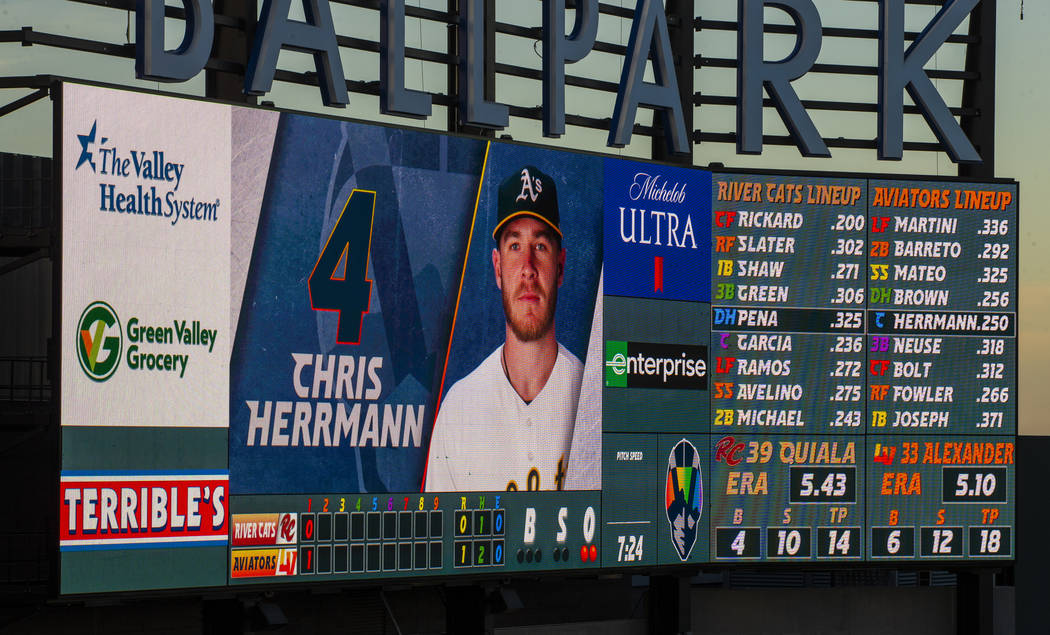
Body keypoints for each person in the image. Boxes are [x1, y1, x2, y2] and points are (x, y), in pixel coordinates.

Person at [424, 165, 584, 492]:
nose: (527, 268)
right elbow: (439, 542)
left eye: (540, 246)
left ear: (561, 266)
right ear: (498, 269)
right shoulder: (459, 410)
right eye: (514, 246)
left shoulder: (594, 401)